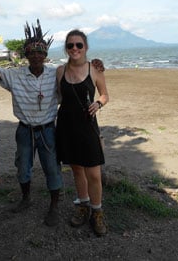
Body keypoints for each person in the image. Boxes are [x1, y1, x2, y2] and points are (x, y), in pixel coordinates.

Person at [0, 19, 62, 227]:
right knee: (23, 167)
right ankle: (25, 199)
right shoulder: (15, 75)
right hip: (25, 130)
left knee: (52, 168)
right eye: (32, 52)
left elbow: (79, 71)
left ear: (45, 55)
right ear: (26, 55)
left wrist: (96, 65)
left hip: (48, 130)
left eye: (40, 52)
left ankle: (54, 206)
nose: (36, 56)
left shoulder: (56, 73)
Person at [56, 29, 109, 236]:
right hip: (66, 126)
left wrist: (98, 103)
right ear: (66, 49)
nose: (75, 48)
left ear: (85, 47)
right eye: (70, 45)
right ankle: (83, 206)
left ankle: (97, 212)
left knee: (94, 174)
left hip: (88, 126)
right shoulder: (60, 71)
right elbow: (60, 98)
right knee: (77, 170)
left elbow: (105, 95)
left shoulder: (95, 69)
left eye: (79, 45)